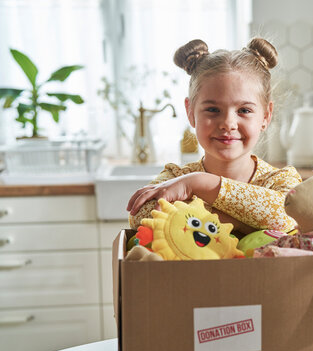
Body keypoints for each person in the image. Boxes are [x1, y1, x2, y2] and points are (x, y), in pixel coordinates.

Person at [127, 38, 302, 237]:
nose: (228, 123)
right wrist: (240, 222)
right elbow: (140, 216)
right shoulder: (175, 178)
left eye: (244, 110)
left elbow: (290, 214)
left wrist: (198, 183)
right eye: (212, 109)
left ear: (266, 115)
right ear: (191, 112)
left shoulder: (280, 181)